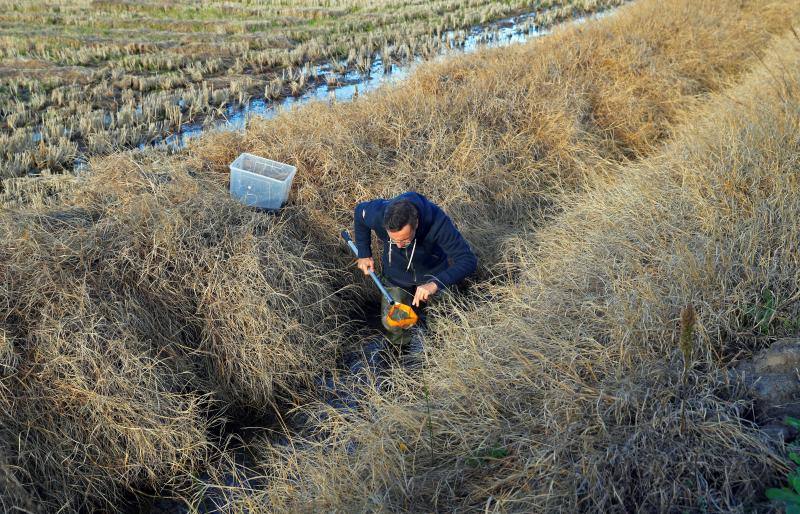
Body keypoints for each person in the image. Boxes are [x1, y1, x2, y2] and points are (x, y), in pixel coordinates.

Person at [353, 191, 477, 354]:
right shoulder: (379, 213)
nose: (398, 245)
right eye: (393, 240)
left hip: (433, 274)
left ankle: (439, 352)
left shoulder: (437, 222)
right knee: (394, 324)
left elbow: (468, 260)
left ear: (416, 223)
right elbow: (359, 212)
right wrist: (363, 253)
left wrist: (435, 284)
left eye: (404, 240)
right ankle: (398, 352)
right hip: (396, 276)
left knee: (443, 325)